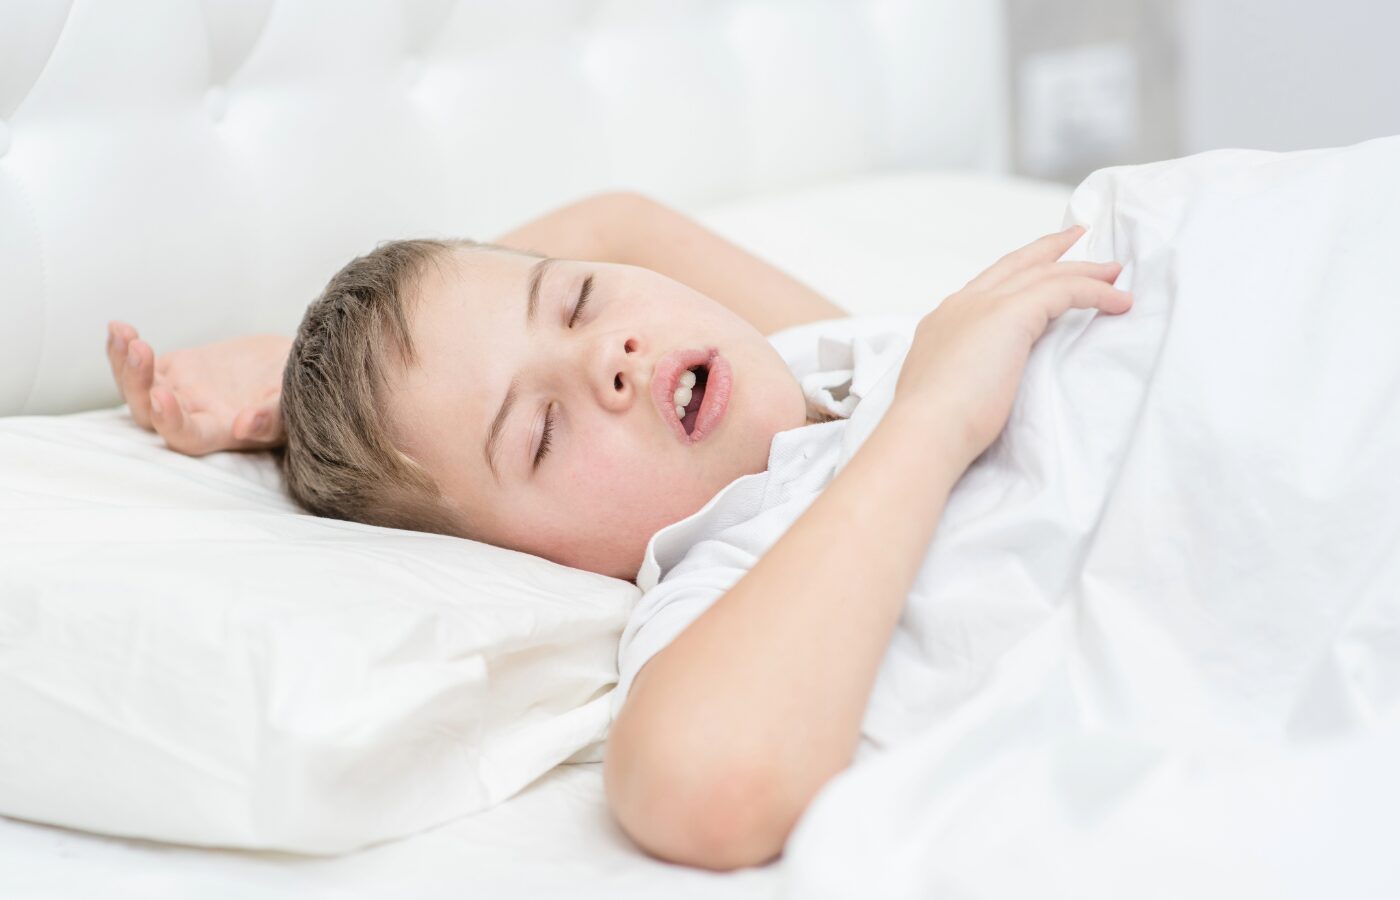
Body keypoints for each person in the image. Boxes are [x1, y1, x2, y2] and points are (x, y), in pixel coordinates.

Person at [102, 191, 1130, 870]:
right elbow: (697, 786)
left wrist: (295, 362)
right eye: (540, 432)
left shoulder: (814, 359)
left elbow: (623, 224)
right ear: (525, 557)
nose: (612, 355)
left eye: (578, 300)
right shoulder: (730, 568)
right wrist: (928, 416)